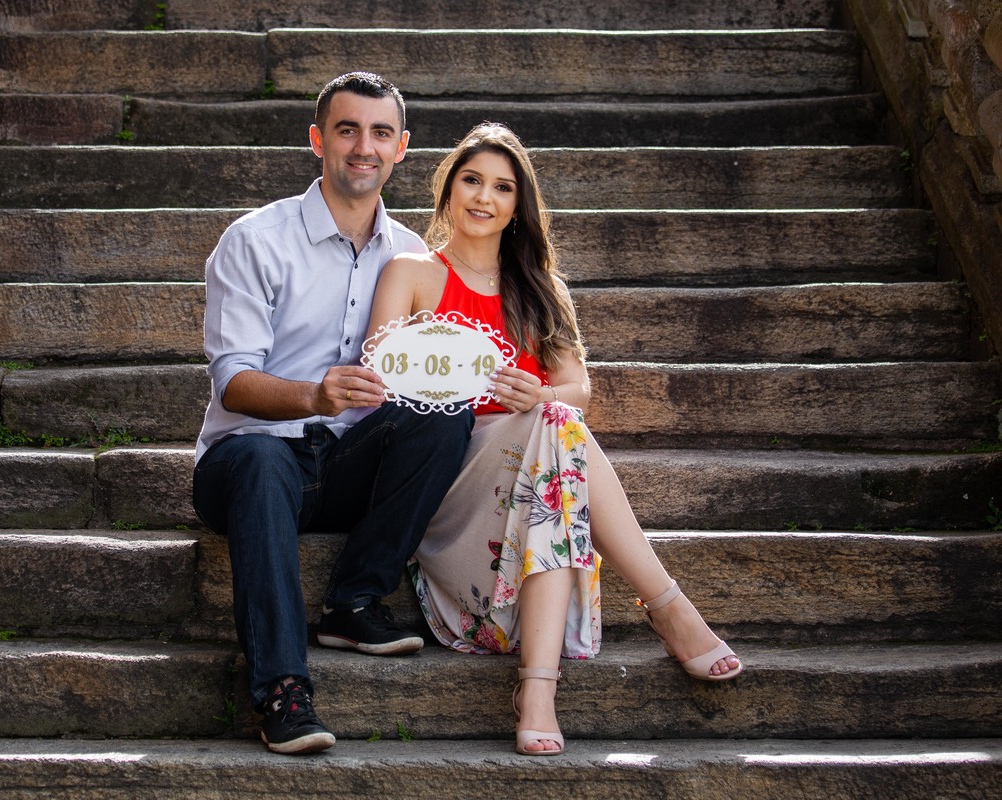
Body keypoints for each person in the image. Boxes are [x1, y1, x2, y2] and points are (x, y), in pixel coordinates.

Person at [365, 122, 742, 758]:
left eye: (502, 187)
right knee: (559, 433)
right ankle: (667, 605)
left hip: (537, 473)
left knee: (558, 427)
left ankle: (538, 688)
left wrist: (536, 395)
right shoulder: (412, 272)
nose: (484, 197)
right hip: (450, 478)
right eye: (472, 180)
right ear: (448, 189)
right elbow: (382, 382)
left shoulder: (542, 288)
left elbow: (577, 391)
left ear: (519, 205)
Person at [191, 72, 474, 755]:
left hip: (346, 466)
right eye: (347, 130)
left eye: (380, 133)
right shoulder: (256, 239)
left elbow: (426, 374)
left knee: (445, 414)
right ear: (319, 139)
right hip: (249, 463)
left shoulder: (414, 255)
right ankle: (282, 691)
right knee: (262, 456)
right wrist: (313, 396)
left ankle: (353, 600)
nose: (363, 147)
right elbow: (233, 383)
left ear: (402, 147)